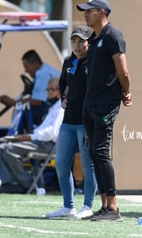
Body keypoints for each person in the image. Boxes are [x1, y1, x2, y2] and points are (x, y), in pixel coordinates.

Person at [77, 0, 132, 222]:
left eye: (89, 11)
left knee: (100, 152)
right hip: (90, 104)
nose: (85, 14)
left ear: (101, 12)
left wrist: (126, 92)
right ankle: (104, 205)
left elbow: (123, 71)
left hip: (106, 104)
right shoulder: (93, 38)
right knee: (92, 153)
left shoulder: (113, 35)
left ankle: (114, 207)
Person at [45, 26, 97, 219]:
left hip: (86, 122)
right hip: (68, 122)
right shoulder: (68, 62)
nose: (76, 45)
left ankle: (88, 206)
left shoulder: (94, 62)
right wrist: (64, 98)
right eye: (73, 41)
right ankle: (68, 206)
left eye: (80, 41)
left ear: (88, 42)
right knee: (60, 164)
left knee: (87, 165)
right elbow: (63, 84)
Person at [0, 77, 63, 193]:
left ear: (60, 91)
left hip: (48, 145)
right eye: (48, 89)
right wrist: (27, 136)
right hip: (40, 141)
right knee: (1, 146)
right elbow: (43, 130)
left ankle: (27, 183)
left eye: (52, 89)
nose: (49, 92)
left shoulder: (61, 108)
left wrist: (29, 137)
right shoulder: (53, 107)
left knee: (9, 149)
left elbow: (52, 133)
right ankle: (10, 183)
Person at [0, 49, 60, 126]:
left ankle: (21, 135)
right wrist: (13, 101)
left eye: (27, 67)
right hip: (54, 107)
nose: (25, 70)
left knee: (25, 110)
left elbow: (37, 101)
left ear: (35, 64)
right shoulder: (43, 71)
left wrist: (13, 102)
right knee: (24, 107)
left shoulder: (43, 75)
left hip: (57, 109)